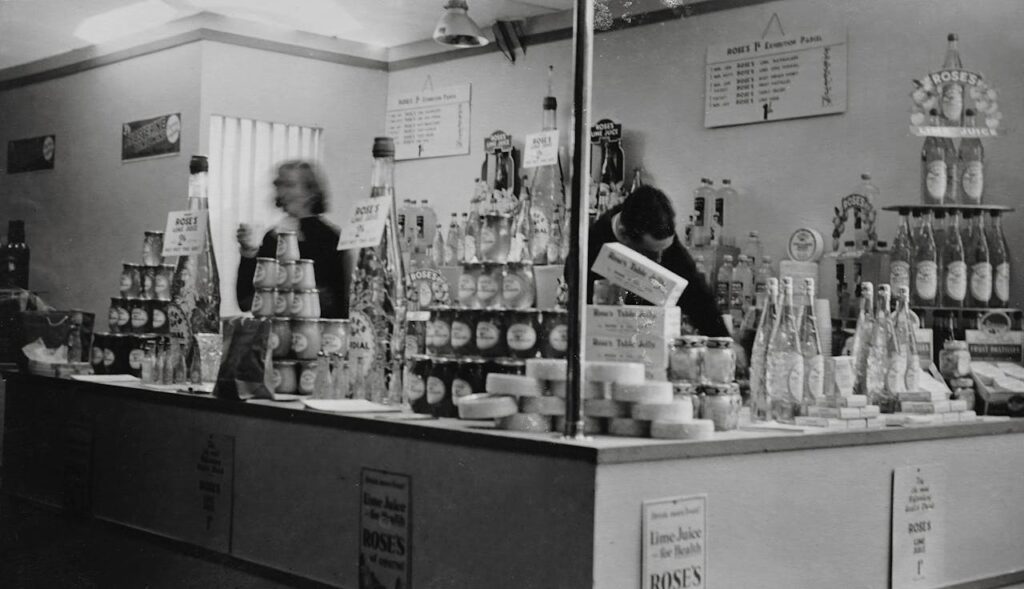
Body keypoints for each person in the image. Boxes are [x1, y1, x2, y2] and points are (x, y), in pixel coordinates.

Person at [573, 185, 730, 337]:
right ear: (623, 234)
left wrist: (724, 339)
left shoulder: (658, 234)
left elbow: (696, 295)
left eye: (665, 250)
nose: (661, 259)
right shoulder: (590, 243)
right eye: (652, 254)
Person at [236, 160, 353, 318]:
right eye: (279, 185)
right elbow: (245, 300)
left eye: (290, 185)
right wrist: (248, 252)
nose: (282, 192)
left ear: (311, 192)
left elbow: (341, 303)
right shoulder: (272, 237)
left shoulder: (332, 239)